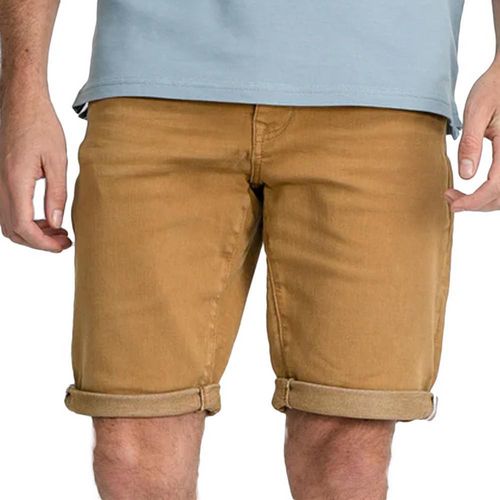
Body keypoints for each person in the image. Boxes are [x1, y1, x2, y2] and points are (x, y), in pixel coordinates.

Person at [0, 1, 499, 499]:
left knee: (348, 456)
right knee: (131, 451)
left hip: (384, 89)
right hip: (152, 78)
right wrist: (23, 88)